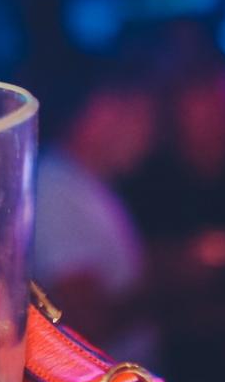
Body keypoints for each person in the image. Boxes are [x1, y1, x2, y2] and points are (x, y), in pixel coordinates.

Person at [32, 81, 157, 361]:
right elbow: (84, 319)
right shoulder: (55, 188)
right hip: (102, 381)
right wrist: (171, 285)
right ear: (100, 114)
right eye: (138, 117)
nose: (148, 136)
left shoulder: (87, 183)